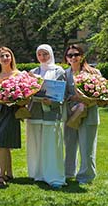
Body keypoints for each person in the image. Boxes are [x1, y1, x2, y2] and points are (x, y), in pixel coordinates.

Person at [27, 44, 66, 188]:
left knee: (51, 145)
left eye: (45, 54)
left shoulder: (58, 71)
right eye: (40, 54)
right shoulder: (33, 71)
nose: (42, 57)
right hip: (35, 112)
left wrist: (52, 101)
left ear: (50, 54)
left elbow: (62, 93)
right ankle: (38, 174)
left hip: (51, 114)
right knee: (36, 145)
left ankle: (54, 176)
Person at [63, 44, 100, 184]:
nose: (73, 57)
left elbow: (100, 93)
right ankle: (68, 173)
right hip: (71, 115)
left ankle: (86, 176)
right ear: (66, 58)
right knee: (70, 146)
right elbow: (62, 94)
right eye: (70, 55)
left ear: (82, 56)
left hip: (89, 114)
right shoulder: (64, 74)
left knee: (87, 148)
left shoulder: (94, 73)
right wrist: (72, 98)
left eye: (76, 54)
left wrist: (85, 100)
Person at [0, 47, 21, 188]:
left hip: (11, 110)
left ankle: (2, 175)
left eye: (7, 55)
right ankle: (9, 173)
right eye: (2, 56)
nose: (5, 58)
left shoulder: (18, 74)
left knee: (3, 142)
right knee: (2, 143)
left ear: (11, 57)